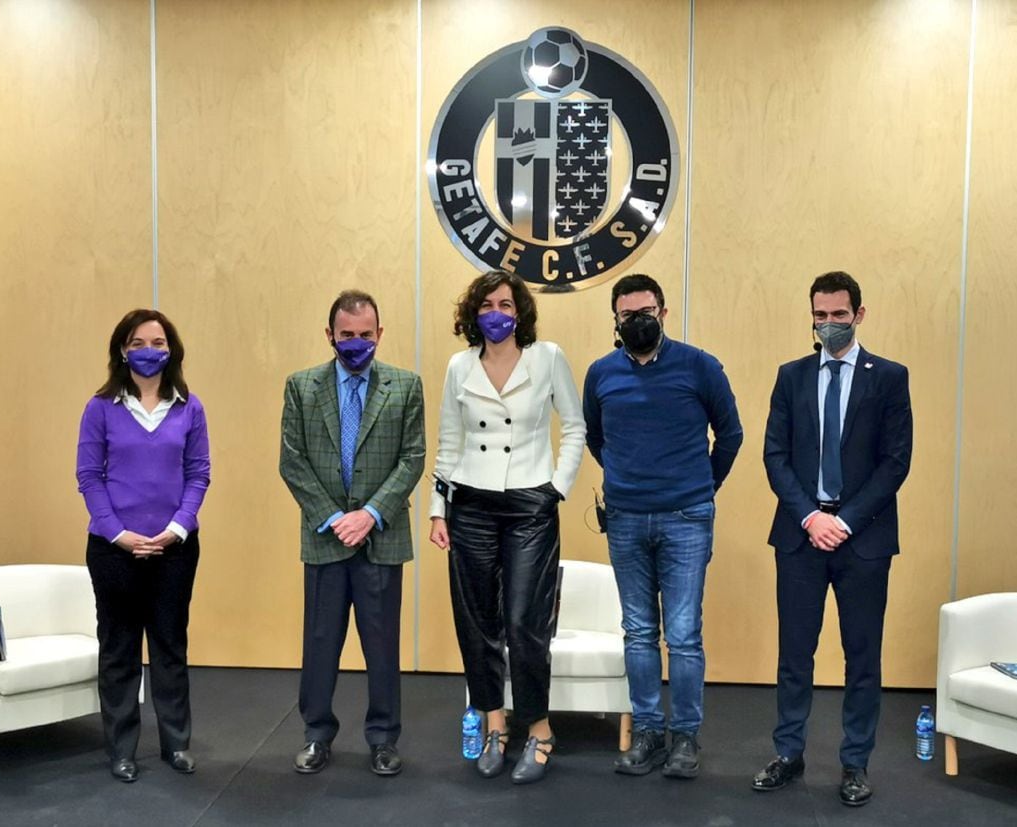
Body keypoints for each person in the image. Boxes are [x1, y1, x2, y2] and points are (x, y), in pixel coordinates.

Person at [752, 271, 912, 807]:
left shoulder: (888, 377)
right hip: (801, 537)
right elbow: (775, 455)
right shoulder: (791, 376)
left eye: (838, 315)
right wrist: (810, 517)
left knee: (861, 657)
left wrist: (845, 520)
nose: (828, 325)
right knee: (795, 654)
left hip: (863, 539)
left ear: (859, 315)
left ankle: (855, 763)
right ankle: (788, 754)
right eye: (819, 315)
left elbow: (895, 462)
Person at [582, 273, 742, 780]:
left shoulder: (699, 366)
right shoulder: (601, 373)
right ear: (615, 318)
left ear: (664, 313)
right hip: (626, 517)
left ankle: (685, 738)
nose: (638, 321)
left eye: (647, 311)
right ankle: (649, 733)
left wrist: (701, 487)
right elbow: (595, 437)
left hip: (687, 517)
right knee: (638, 632)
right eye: (628, 315)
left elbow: (731, 435)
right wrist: (627, 479)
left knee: (684, 633)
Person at [429, 270, 585, 784]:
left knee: (523, 622)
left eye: (505, 303)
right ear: (473, 315)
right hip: (470, 504)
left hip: (529, 505)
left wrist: (556, 487)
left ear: (520, 311)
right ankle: (495, 723)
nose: (496, 312)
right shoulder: (458, 366)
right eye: (486, 305)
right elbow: (448, 441)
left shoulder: (548, 358)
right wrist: (437, 508)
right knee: (477, 623)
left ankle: (539, 728)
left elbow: (575, 426)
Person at [279, 289, 425, 778]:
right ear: (330, 336)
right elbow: (292, 461)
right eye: (347, 335)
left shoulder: (406, 386)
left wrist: (370, 513)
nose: (357, 343)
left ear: (379, 335)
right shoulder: (301, 387)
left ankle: (383, 739)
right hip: (324, 537)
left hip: (381, 537)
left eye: (366, 335)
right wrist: (333, 516)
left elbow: (412, 458)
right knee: (320, 642)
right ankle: (316, 735)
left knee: (382, 644)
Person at [76, 309, 210, 783]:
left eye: (157, 342)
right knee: (119, 649)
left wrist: (178, 527)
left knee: (171, 645)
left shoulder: (188, 407)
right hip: (114, 551)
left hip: (174, 549)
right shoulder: (100, 408)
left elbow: (198, 474)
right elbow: (89, 477)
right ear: (122, 350)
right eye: (138, 343)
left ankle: (177, 744)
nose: (148, 351)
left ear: (171, 350)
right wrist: (117, 532)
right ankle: (122, 749)